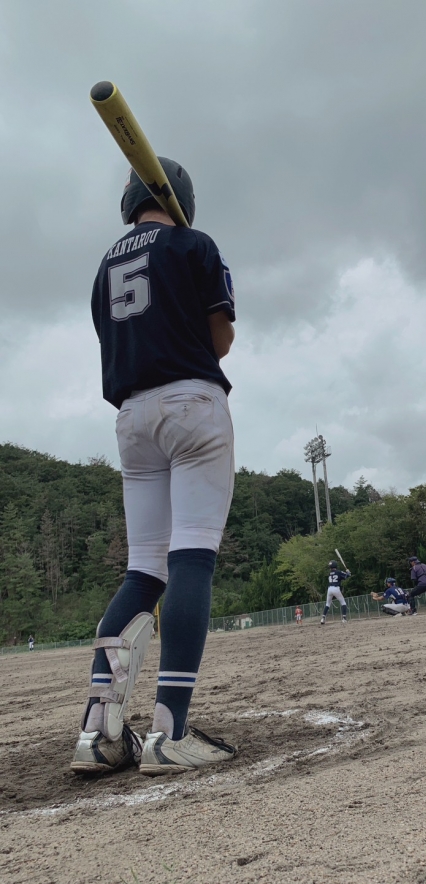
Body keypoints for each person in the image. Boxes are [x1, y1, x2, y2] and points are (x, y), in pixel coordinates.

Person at [71, 158, 238, 776]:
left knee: (143, 569)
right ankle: (170, 731)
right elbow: (220, 340)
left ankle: (97, 733)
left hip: (131, 417)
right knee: (192, 555)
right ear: (180, 198)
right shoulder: (194, 243)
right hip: (191, 402)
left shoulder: (104, 266)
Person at [321, 560, 351, 625]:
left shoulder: (329, 573)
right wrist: (348, 572)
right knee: (343, 603)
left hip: (329, 589)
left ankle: (323, 618)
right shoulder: (338, 572)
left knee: (327, 604)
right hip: (336, 588)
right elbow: (347, 576)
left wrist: (347, 573)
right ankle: (344, 619)